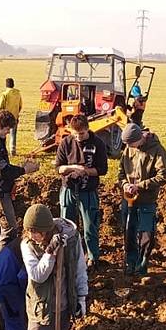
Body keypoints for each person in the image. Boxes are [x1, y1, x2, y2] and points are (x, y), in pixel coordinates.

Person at [0, 110, 39, 259]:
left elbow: (3, 166)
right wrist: (25, 169)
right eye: (7, 129)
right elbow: (2, 171)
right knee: (9, 228)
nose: (7, 133)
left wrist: (19, 167)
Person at [55, 114, 108, 270]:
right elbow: (59, 167)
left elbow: (102, 169)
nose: (78, 137)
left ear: (87, 129)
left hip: (87, 191)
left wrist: (85, 171)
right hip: (68, 189)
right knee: (66, 225)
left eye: (82, 134)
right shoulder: (66, 143)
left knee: (90, 225)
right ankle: (66, 256)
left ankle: (92, 257)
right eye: (75, 134)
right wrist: (73, 169)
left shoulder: (97, 144)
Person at [118, 123, 166, 275]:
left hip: (146, 200)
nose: (130, 146)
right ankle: (130, 262)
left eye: (132, 143)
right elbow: (121, 172)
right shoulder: (128, 149)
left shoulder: (157, 150)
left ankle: (142, 264)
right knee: (129, 231)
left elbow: (162, 176)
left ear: (140, 138)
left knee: (146, 234)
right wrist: (125, 184)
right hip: (129, 199)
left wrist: (140, 186)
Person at [0, 78, 23, 156]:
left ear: (6, 85)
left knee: (3, 134)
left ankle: (3, 150)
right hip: (14, 116)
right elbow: (20, 105)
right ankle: (13, 150)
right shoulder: (18, 93)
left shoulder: (5, 94)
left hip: (5, 117)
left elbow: (0, 106)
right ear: (13, 84)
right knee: (13, 134)